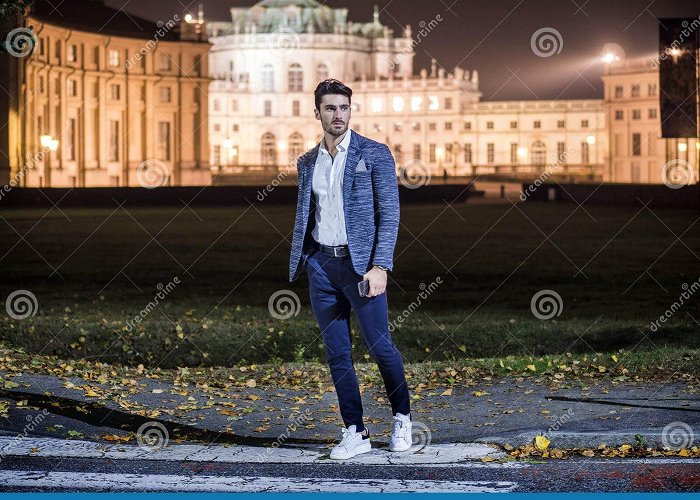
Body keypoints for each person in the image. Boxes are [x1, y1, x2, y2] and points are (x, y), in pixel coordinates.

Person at [288, 79, 412, 459]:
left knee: (380, 346)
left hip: (361, 268)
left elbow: (389, 215)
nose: (337, 115)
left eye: (343, 108)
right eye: (330, 108)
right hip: (322, 265)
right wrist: (309, 258)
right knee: (337, 353)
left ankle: (403, 419)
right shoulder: (307, 162)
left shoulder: (374, 153)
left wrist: (380, 265)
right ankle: (354, 431)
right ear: (317, 113)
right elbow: (309, 213)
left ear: (350, 110)